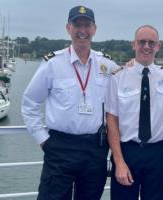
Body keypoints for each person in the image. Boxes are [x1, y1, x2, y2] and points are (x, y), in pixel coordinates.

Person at [22, 5, 120, 200]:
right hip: (60, 148)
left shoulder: (107, 65)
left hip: (95, 148)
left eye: (87, 25)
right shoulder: (53, 64)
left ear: (94, 29)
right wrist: (43, 139)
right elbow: (29, 103)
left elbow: (128, 83)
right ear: (68, 28)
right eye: (77, 25)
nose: (82, 31)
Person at [106, 25, 163, 200]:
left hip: (158, 153)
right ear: (134, 44)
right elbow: (111, 121)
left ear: (158, 46)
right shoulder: (117, 77)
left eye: (151, 43)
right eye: (142, 42)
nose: (146, 46)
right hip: (128, 152)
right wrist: (119, 161)